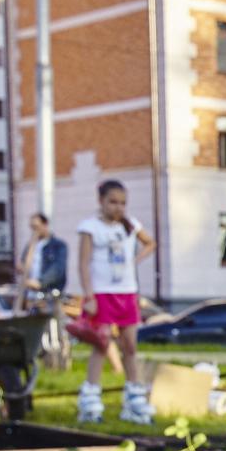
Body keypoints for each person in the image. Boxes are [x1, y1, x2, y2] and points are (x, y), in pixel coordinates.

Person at [75, 179, 156, 424]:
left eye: (122, 203)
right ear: (101, 201)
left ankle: (134, 397)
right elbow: (83, 263)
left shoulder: (130, 226)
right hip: (102, 292)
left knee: (130, 345)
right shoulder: (90, 227)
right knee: (101, 344)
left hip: (127, 291)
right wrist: (89, 296)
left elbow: (150, 243)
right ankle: (90, 397)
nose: (118, 207)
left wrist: (136, 259)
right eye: (112, 202)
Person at [19, 213, 67, 304]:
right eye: (32, 227)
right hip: (30, 295)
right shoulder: (30, 246)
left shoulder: (58, 245)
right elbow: (24, 264)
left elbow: (58, 269)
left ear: (45, 224)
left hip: (49, 295)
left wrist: (40, 282)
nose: (34, 230)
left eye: (36, 226)